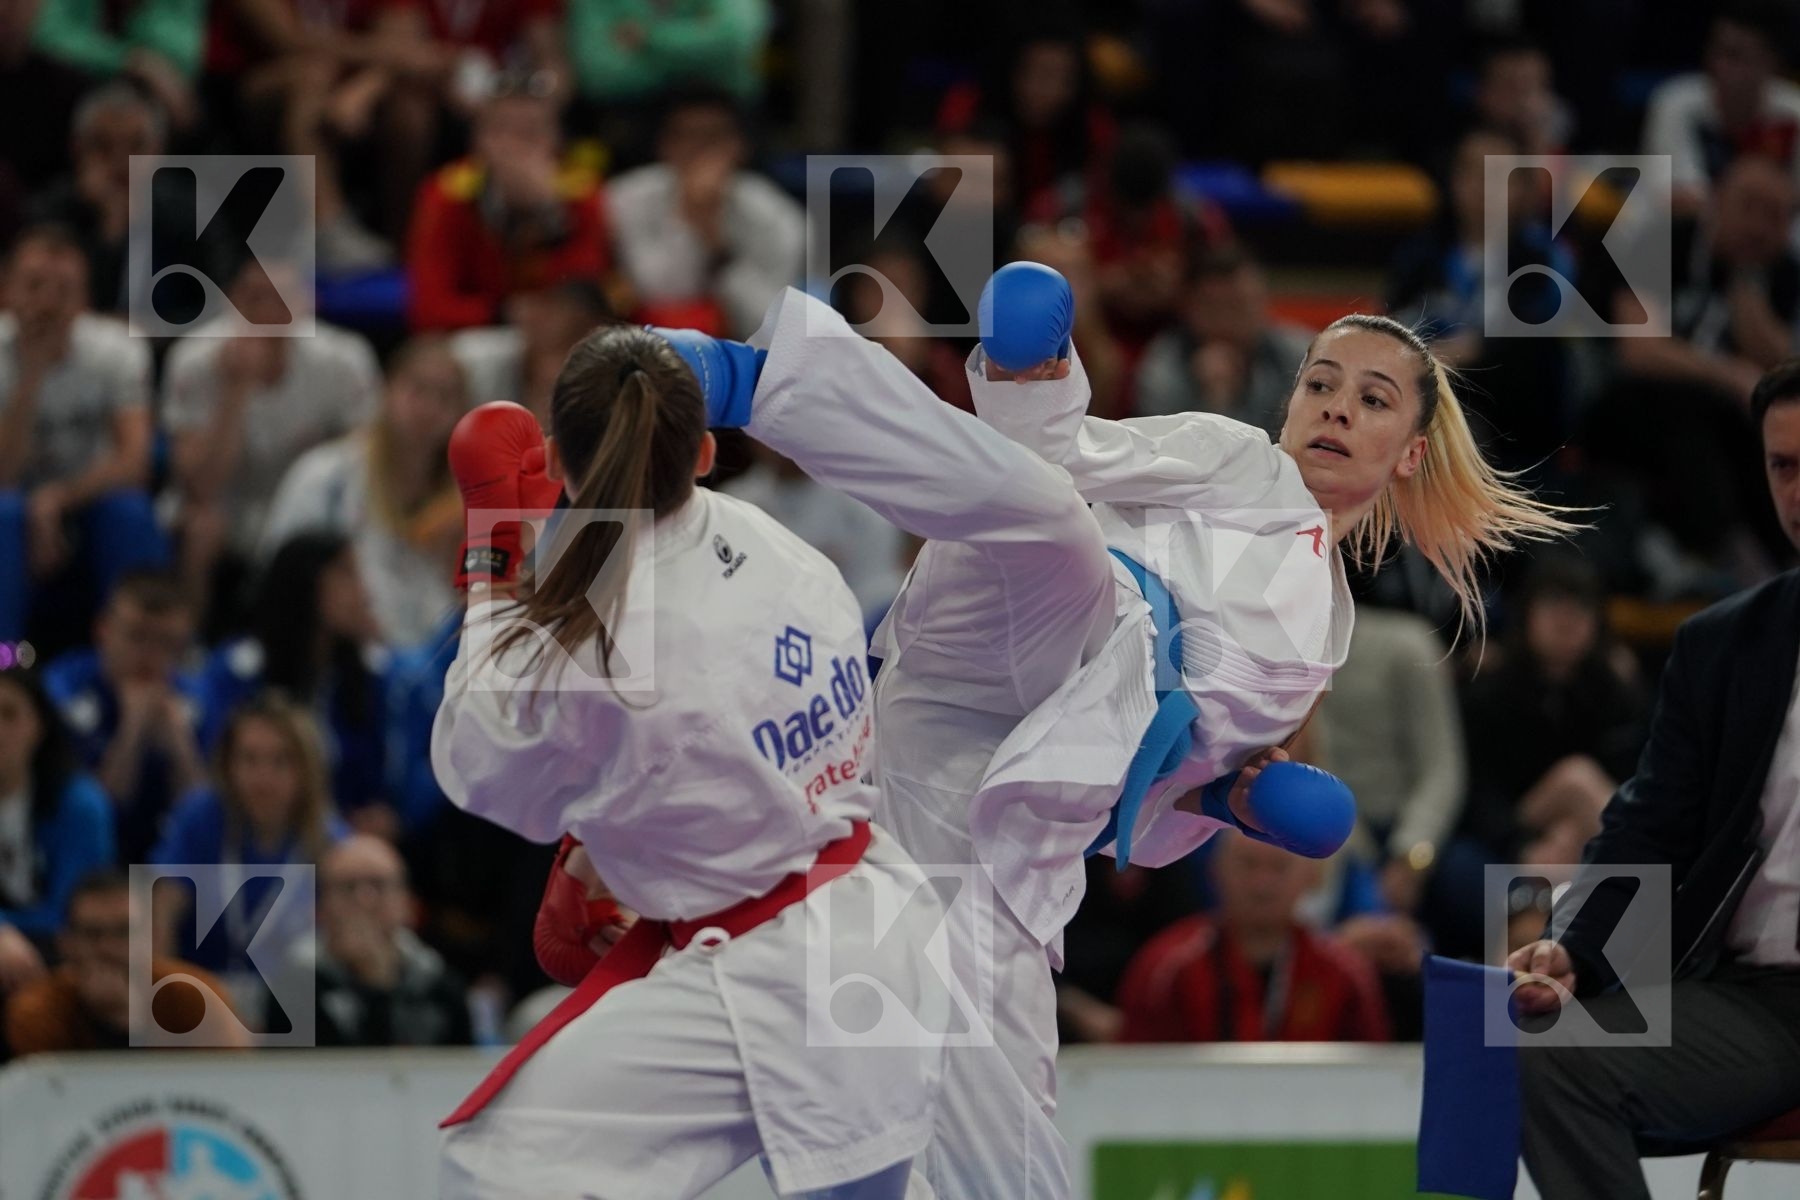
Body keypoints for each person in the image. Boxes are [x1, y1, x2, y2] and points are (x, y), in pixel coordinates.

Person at [861, 262, 1577, 1195]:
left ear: (1409, 450)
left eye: (1371, 398)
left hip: (1010, 799)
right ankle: (756, 386)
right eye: (1319, 384)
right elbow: (1061, 457)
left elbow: (1151, 822)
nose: (1336, 409)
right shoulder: (1233, 454)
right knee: (1057, 536)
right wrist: (1026, 370)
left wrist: (1229, 802)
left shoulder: (1322, 635)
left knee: (942, 1100)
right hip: (995, 651)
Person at [431, 283, 1105, 1199]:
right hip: (876, 945)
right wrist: (603, 852)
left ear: (560, 460)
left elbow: (478, 764)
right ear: (705, 454)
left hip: (777, 976)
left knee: (502, 1166)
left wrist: (494, 550)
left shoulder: (597, 647)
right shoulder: (788, 555)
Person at [1512, 358, 1800, 1199]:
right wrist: (1575, 948)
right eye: (1783, 467)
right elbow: (1650, 827)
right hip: (1761, 1005)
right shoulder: (1724, 648)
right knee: (1544, 1058)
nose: (1798, 490)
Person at [163, 256, 381, 627]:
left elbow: (368, 458)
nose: (266, 311)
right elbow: (201, 485)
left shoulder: (344, 359)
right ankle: (188, 644)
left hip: (310, 503)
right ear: (231, 301)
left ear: (305, 302)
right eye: (253, 298)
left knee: (365, 520)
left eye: (279, 298)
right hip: (228, 503)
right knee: (201, 526)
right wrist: (236, 391)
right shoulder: (194, 360)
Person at [0, 223, 161, 649]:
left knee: (129, 511)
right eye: (34, 286)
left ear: (85, 299)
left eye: (64, 290)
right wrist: (30, 374)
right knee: (4, 512)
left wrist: (57, 499)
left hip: (88, 499)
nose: (48, 304)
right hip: (12, 502)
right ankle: (3, 663)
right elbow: (3, 473)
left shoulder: (117, 350)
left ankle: (143, 658)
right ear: (6, 290)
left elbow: (135, 460)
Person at [260, 337, 468, 648]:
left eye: (445, 397)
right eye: (418, 390)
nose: (429, 408)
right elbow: (281, 578)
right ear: (385, 389)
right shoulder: (325, 478)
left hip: (432, 666)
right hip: (338, 655)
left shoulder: (466, 501)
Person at [150, 693, 346, 1017]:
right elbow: (161, 918)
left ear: (307, 769)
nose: (263, 777)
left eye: (281, 760)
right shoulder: (200, 818)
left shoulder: (329, 841)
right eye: (249, 759)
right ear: (228, 765)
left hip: (294, 1009)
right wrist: (164, 1006)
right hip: (201, 1001)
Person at [1115, 832, 1391, 1043]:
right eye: (1248, 865)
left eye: (1279, 867)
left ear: (1312, 877)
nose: (1262, 884)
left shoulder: (1344, 972)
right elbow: (1135, 1073)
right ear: (1214, 871)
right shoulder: (1165, 968)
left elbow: (1370, 1077)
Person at [201, 533, 391, 827]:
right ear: (306, 583)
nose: (363, 593)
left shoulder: (371, 674)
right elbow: (218, 771)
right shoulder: (240, 670)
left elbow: (378, 781)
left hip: (339, 842)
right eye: (346, 574)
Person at [405, 69, 612, 332]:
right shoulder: (446, 195)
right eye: (501, 131)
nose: (514, 146)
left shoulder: (582, 195)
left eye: (530, 132)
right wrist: (501, 313)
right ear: (478, 141)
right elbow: (428, 309)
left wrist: (549, 215)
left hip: (559, 339)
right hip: (476, 335)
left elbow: (586, 304)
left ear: (556, 141)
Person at [607, 82, 805, 339]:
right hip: (642, 348)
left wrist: (717, 248)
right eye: (687, 136)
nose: (699, 150)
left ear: (740, 145)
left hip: (744, 355)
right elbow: (652, 298)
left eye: (712, 137)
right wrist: (690, 215)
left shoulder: (778, 217)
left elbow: (770, 325)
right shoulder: (623, 200)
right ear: (664, 145)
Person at [42, 571, 207, 866]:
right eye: (137, 637)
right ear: (103, 629)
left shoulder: (196, 699)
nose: (150, 656)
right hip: (82, 867)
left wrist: (181, 751)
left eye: (167, 643)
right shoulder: (62, 688)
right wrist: (132, 731)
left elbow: (208, 820)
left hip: (164, 872)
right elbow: (89, 814)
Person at [4, 869, 247, 1056]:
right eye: (92, 933)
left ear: (152, 936)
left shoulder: (196, 999)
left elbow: (235, 1089)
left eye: (124, 932)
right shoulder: (39, 1011)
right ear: (66, 944)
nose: (107, 948)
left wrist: (130, 1020)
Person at [294, 833, 471, 1047]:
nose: (364, 899)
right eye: (348, 887)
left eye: (378, 884)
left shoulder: (440, 986)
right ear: (320, 907)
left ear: (407, 903)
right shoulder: (294, 984)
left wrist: (379, 978)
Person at [1134, 242, 1312, 436]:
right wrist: (1217, 400)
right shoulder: (1164, 370)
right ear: (1187, 308)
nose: (1228, 321)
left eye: (1239, 306)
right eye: (1214, 309)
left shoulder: (1301, 354)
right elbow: (1171, 454)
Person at [1641, 1, 1800, 216]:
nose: (1719, 65)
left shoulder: (1794, 112)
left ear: (1770, 63)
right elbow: (1675, 197)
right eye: (1717, 51)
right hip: (1692, 239)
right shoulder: (1674, 103)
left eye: (1735, 56)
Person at [0, 668, 113, 969]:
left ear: (39, 725)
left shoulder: (80, 805)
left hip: (62, 957)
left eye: (9, 715)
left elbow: (77, 911)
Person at [450, 279, 611, 425]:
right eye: (548, 309)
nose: (545, 320)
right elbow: (443, 354)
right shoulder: (495, 354)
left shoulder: (606, 386)